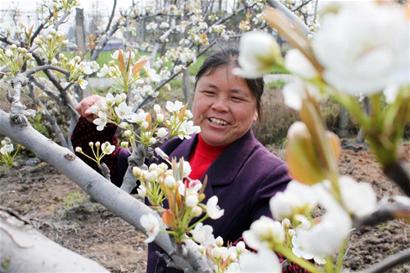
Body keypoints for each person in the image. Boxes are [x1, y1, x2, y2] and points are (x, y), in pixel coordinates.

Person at [72, 48, 295, 273]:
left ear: (256, 109)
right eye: (209, 92)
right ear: (195, 96)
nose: (219, 105)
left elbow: (263, 260)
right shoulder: (172, 148)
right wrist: (99, 120)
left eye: (235, 97)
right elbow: (108, 166)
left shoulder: (273, 178)